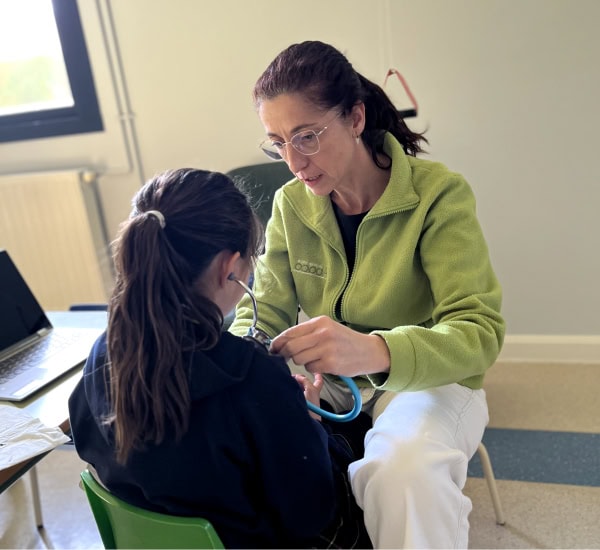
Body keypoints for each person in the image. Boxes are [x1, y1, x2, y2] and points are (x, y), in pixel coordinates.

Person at [229, 41, 506, 549]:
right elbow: (262, 307)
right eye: (278, 142)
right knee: (231, 439)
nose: (293, 161)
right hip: (330, 379)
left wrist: (376, 350)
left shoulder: (438, 195)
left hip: (430, 377)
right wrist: (244, 358)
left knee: (402, 470)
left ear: (355, 118)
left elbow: (479, 332)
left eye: (307, 137)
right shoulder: (292, 203)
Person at [68, 168, 372, 549]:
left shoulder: (105, 351)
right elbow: (311, 513)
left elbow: (87, 444)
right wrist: (308, 422)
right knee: (367, 461)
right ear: (230, 269)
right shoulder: (253, 378)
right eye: (252, 259)